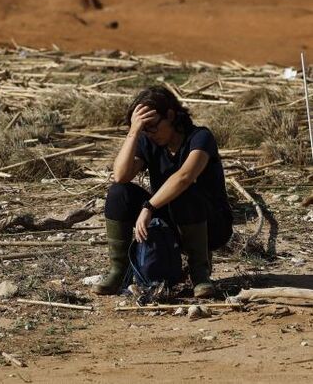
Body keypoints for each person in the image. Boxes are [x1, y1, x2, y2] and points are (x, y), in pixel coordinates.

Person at [93, 86, 233, 298]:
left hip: (209, 224)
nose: (149, 133)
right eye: (144, 129)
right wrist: (133, 133)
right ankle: (118, 271)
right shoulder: (148, 140)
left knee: (185, 192)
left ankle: (200, 275)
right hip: (170, 221)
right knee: (119, 192)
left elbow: (184, 177)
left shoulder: (200, 137)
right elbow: (121, 175)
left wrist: (149, 207)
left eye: (152, 126)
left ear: (170, 115)